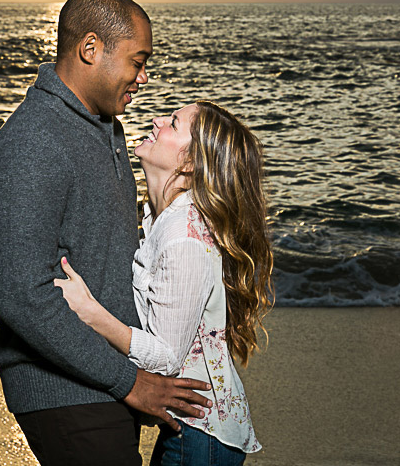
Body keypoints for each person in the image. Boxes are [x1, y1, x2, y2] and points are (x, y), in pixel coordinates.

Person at [0, 0, 212, 466]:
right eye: (137, 61)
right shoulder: (32, 142)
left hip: (105, 376)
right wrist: (130, 382)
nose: (144, 78)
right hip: (64, 390)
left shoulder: (105, 124)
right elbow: (25, 297)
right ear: (91, 49)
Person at [54, 101, 274, 465]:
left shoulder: (183, 237)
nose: (156, 120)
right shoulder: (162, 217)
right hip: (189, 427)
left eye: (172, 123)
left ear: (190, 163)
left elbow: (167, 359)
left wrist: (91, 312)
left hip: (202, 433)